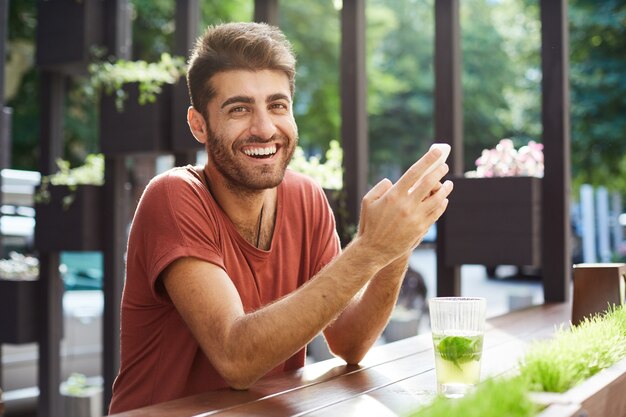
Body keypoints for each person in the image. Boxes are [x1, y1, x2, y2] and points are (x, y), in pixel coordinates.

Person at [108, 21, 452, 413]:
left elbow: (350, 343)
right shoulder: (173, 196)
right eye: (239, 109)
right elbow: (236, 359)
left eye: (277, 105)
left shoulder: (306, 198)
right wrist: (370, 247)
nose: (264, 127)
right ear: (198, 125)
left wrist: (397, 245)